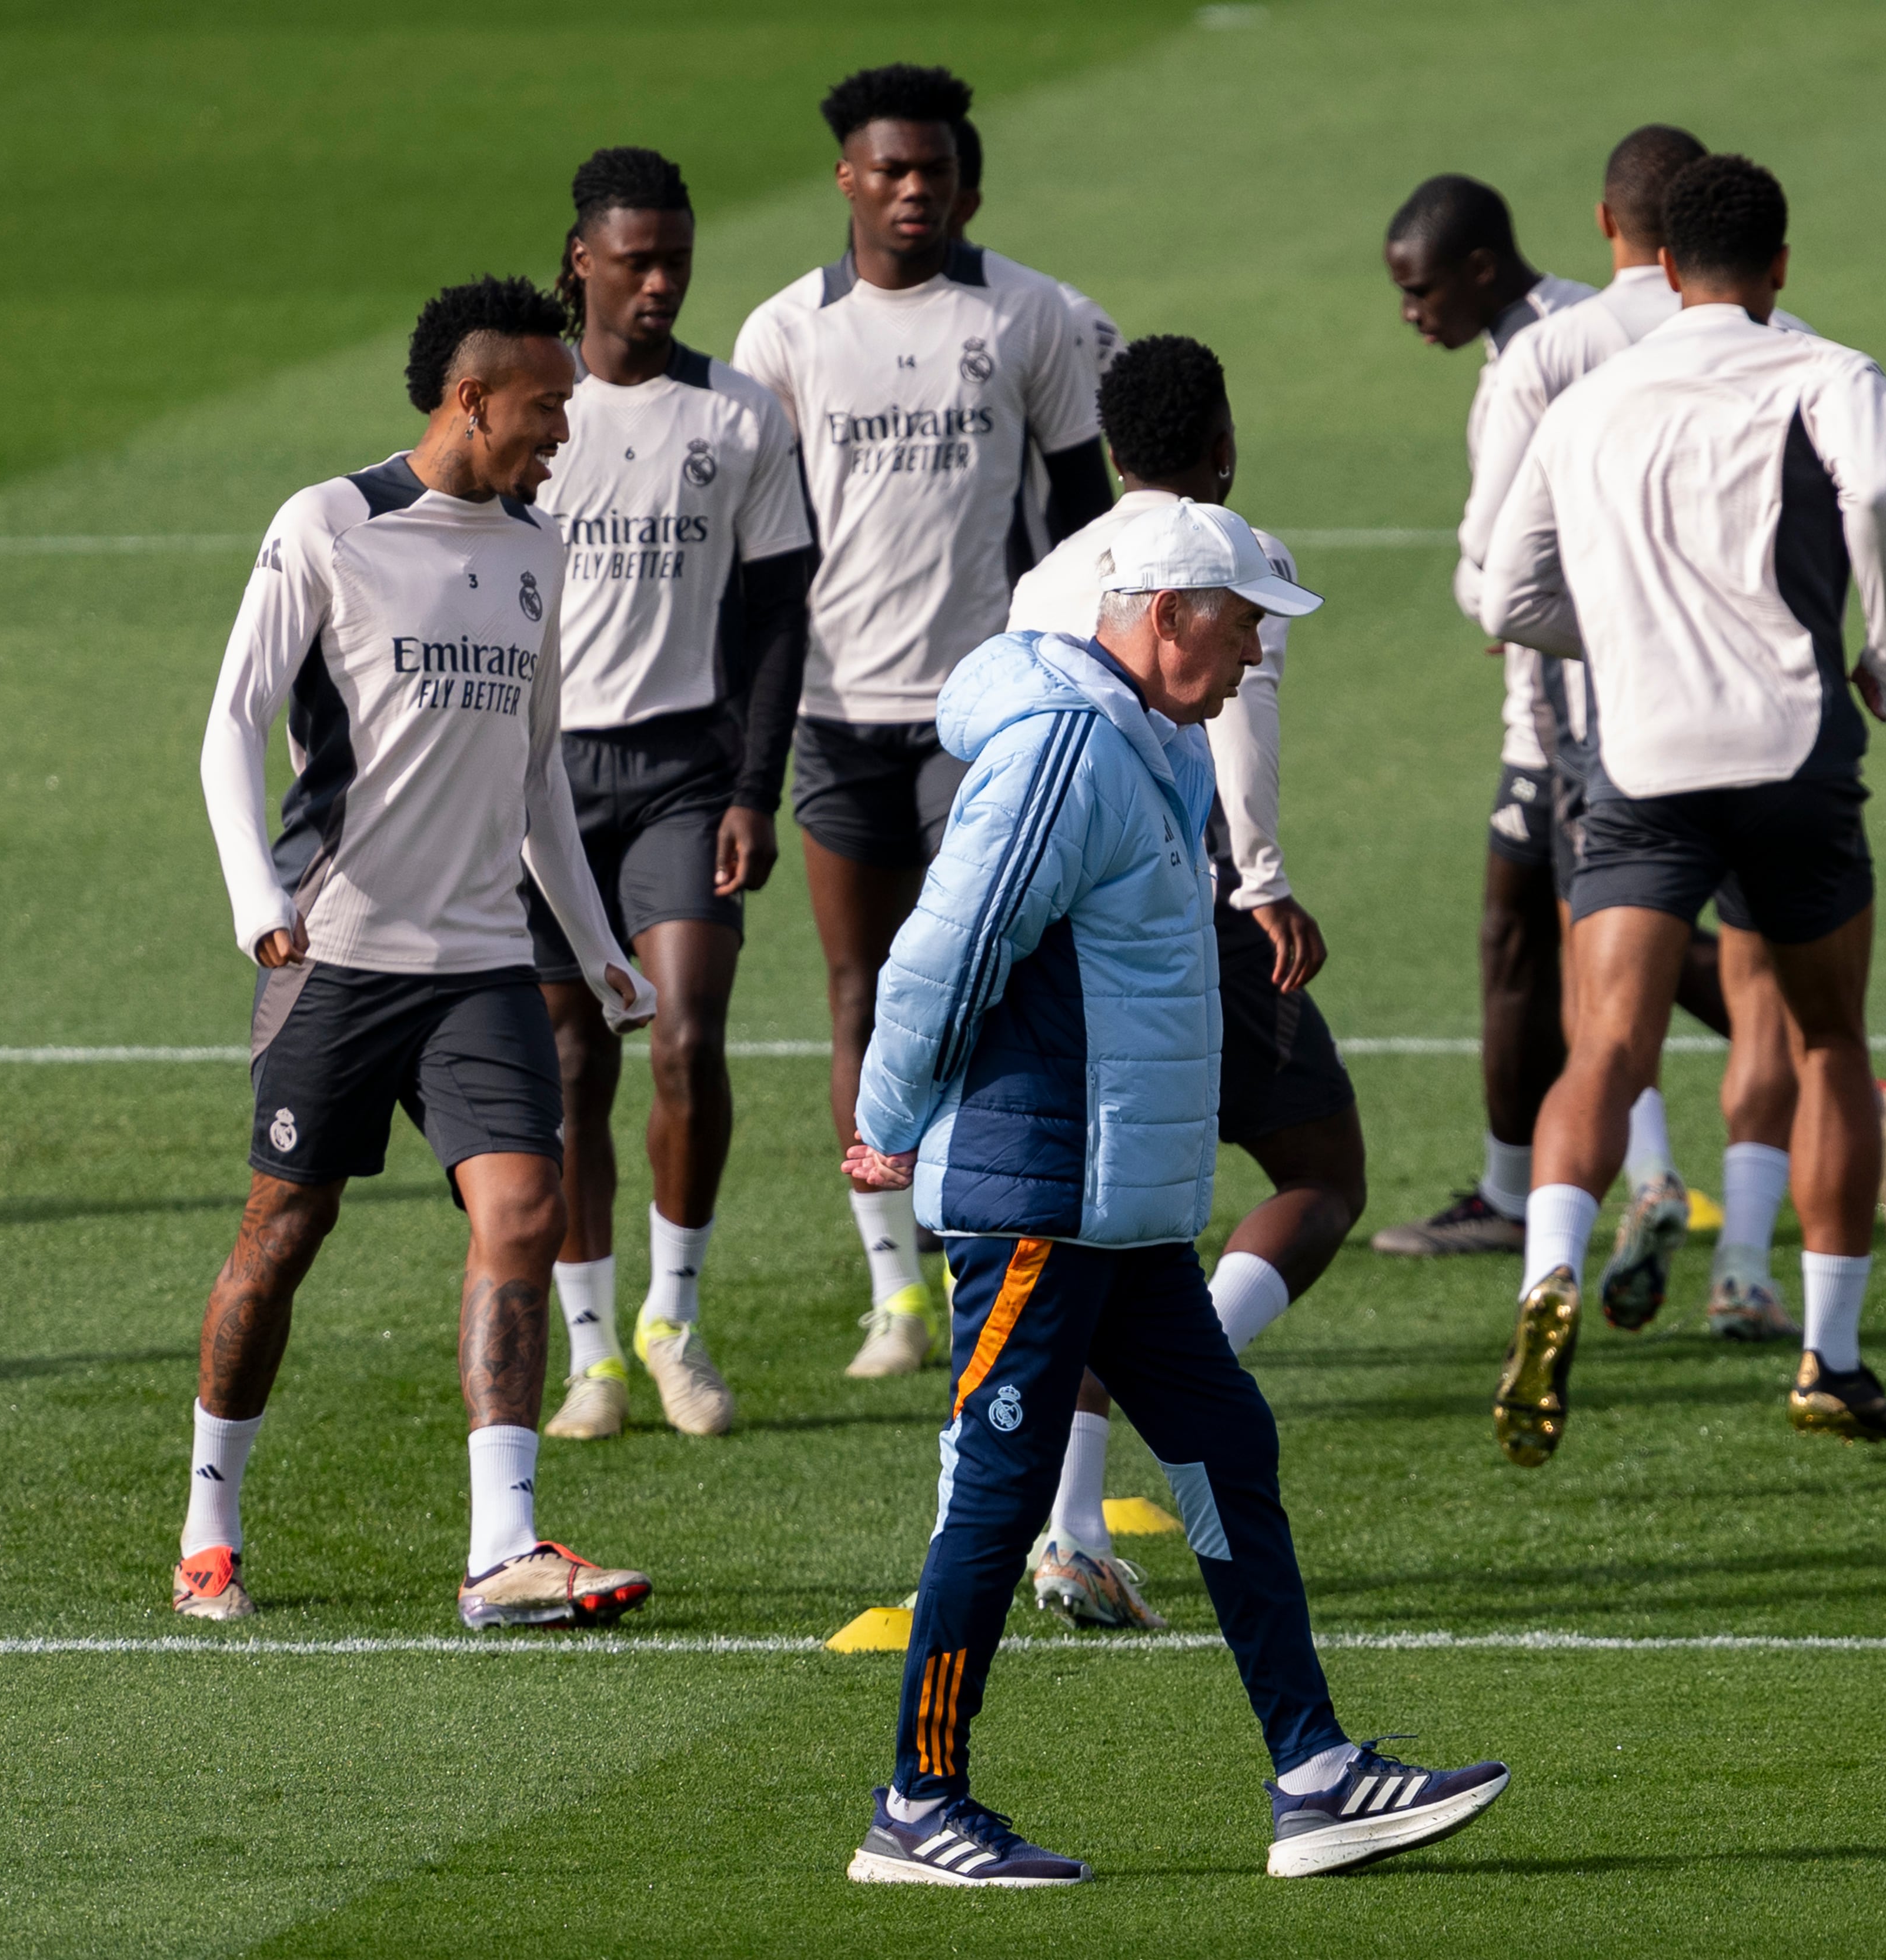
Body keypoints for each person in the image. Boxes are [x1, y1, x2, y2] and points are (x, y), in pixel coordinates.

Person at [840, 500, 1505, 1885]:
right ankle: (916, 1800)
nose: (1258, 645)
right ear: (1159, 614)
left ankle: (1315, 1775)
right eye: (1240, 616)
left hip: (1121, 1208)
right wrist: (886, 1126)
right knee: (998, 1496)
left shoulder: (1142, 747)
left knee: (1226, 1448)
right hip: (1039, 1198)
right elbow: (942, 956)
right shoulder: (1069, 755)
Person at [182, 275, 658, 1626]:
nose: (565, 429)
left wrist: (596, 944)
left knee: (523, 1212)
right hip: (330, 951)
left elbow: (536, 774)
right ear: (469, 400)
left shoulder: (538, 552)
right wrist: (248, 899)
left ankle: (502, 1548)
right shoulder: (329, 525)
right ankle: (209, 1519)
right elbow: (230, 724)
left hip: (480, 965)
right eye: (546, 407)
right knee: (283, 1232)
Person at [1481, 155, 1886, 1463]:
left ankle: (1546, 1274)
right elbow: (1882, 498)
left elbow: (1505, 596)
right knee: (1830, 1040)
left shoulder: (1589, 398)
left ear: (1661, 265)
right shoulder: (1829, 374)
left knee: (1603, 1049)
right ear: (1780, 263)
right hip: (1790, 752)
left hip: (1640, 760)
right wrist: (1885, 655)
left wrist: (1615, 645)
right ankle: (1827, 1358)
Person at [733, 63, 1114, 1378]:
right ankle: (892, 1282)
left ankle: (992, 1248)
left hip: (989, 719)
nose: (912, 192)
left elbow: (1081, 515)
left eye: (934, 173)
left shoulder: (1028, 317)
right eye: (889, 171)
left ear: (967, 183)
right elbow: (763, 548)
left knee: (993, 985)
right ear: (846, 177)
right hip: (838, 716)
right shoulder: (784, 334)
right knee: (864, 987)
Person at [1003, 335, 1364, 1630]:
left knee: (1118, 1226)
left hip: (1058, 923)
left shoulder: (1049, 572)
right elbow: (1238, 724)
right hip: (1186, 909)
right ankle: (1178, 1384)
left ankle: (1073, 1526)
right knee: (1322, 1175)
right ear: (1219, 433)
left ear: (1110, 447)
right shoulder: (1226, 557)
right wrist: (1260, 879)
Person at [1460, 123, 1817, 1342]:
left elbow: (1491, 581)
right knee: (1766, 993)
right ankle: (1753, 1275)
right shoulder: (1795, 355)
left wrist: (1608, 636)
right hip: (1777, 721)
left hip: (1604, 730)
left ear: (1619, 233)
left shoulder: (1555, 357)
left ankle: (1635, 1185)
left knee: (1605, 993)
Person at [522, 147, 817, 1442]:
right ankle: (592, 1354)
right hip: (536, 783)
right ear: (581, 257)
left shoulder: (740, 415)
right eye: (635, 259)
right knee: (571, 1060)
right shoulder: (527, 408)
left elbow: (775, 624)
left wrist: (758, 786)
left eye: (677, 260)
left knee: (687, 1036)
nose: (659, 282)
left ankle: (674, 1321)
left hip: (684, 775)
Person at [1368, 174, 1592, 1260]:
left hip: (1560, 697)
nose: (1412, 314)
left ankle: (1513, 1196)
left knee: (1540, 928)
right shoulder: (1590, 317)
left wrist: (1496, 606)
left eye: (1419, 293)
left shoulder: (1525, 369)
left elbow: (1489, 564)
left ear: (1480, 270)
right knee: (1570, 923)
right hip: (1608, 679)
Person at [944, 111, 1126, 580]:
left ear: (963, 199)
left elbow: (1112, 467)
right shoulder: (816, 326)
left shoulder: (1064, 317)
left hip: (1025, 604)